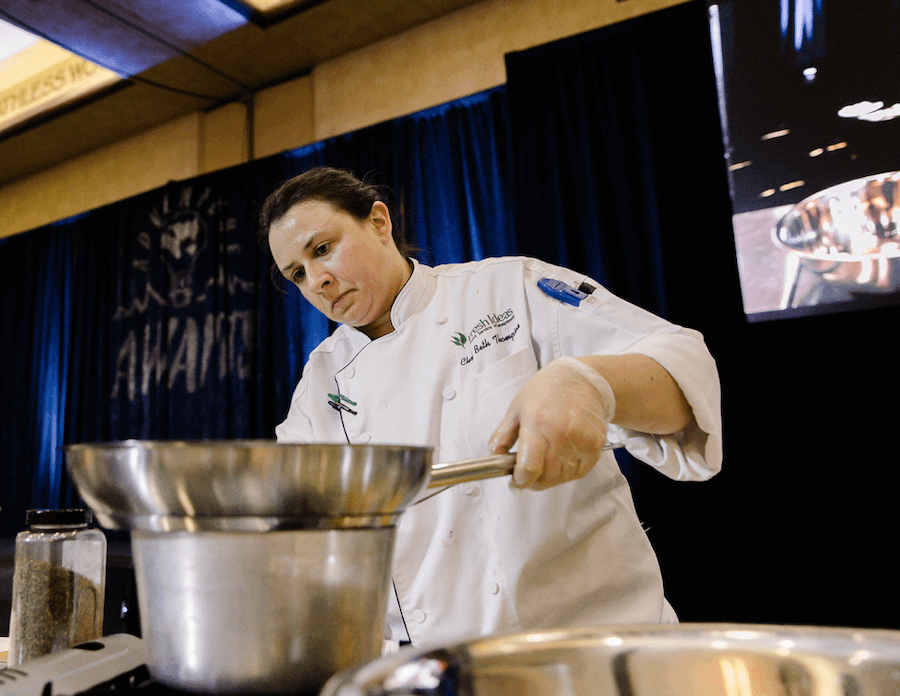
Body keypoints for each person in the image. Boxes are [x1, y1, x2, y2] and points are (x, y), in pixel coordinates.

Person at [259, 166, 722, 647]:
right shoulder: (320, 384)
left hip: (598, 647)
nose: (317, 280)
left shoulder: (507, 290)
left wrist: (589, 383)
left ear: (379, 222)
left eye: (322, 248)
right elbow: (292, 518)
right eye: (297, 273)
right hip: (443, 668)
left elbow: (684, 366)